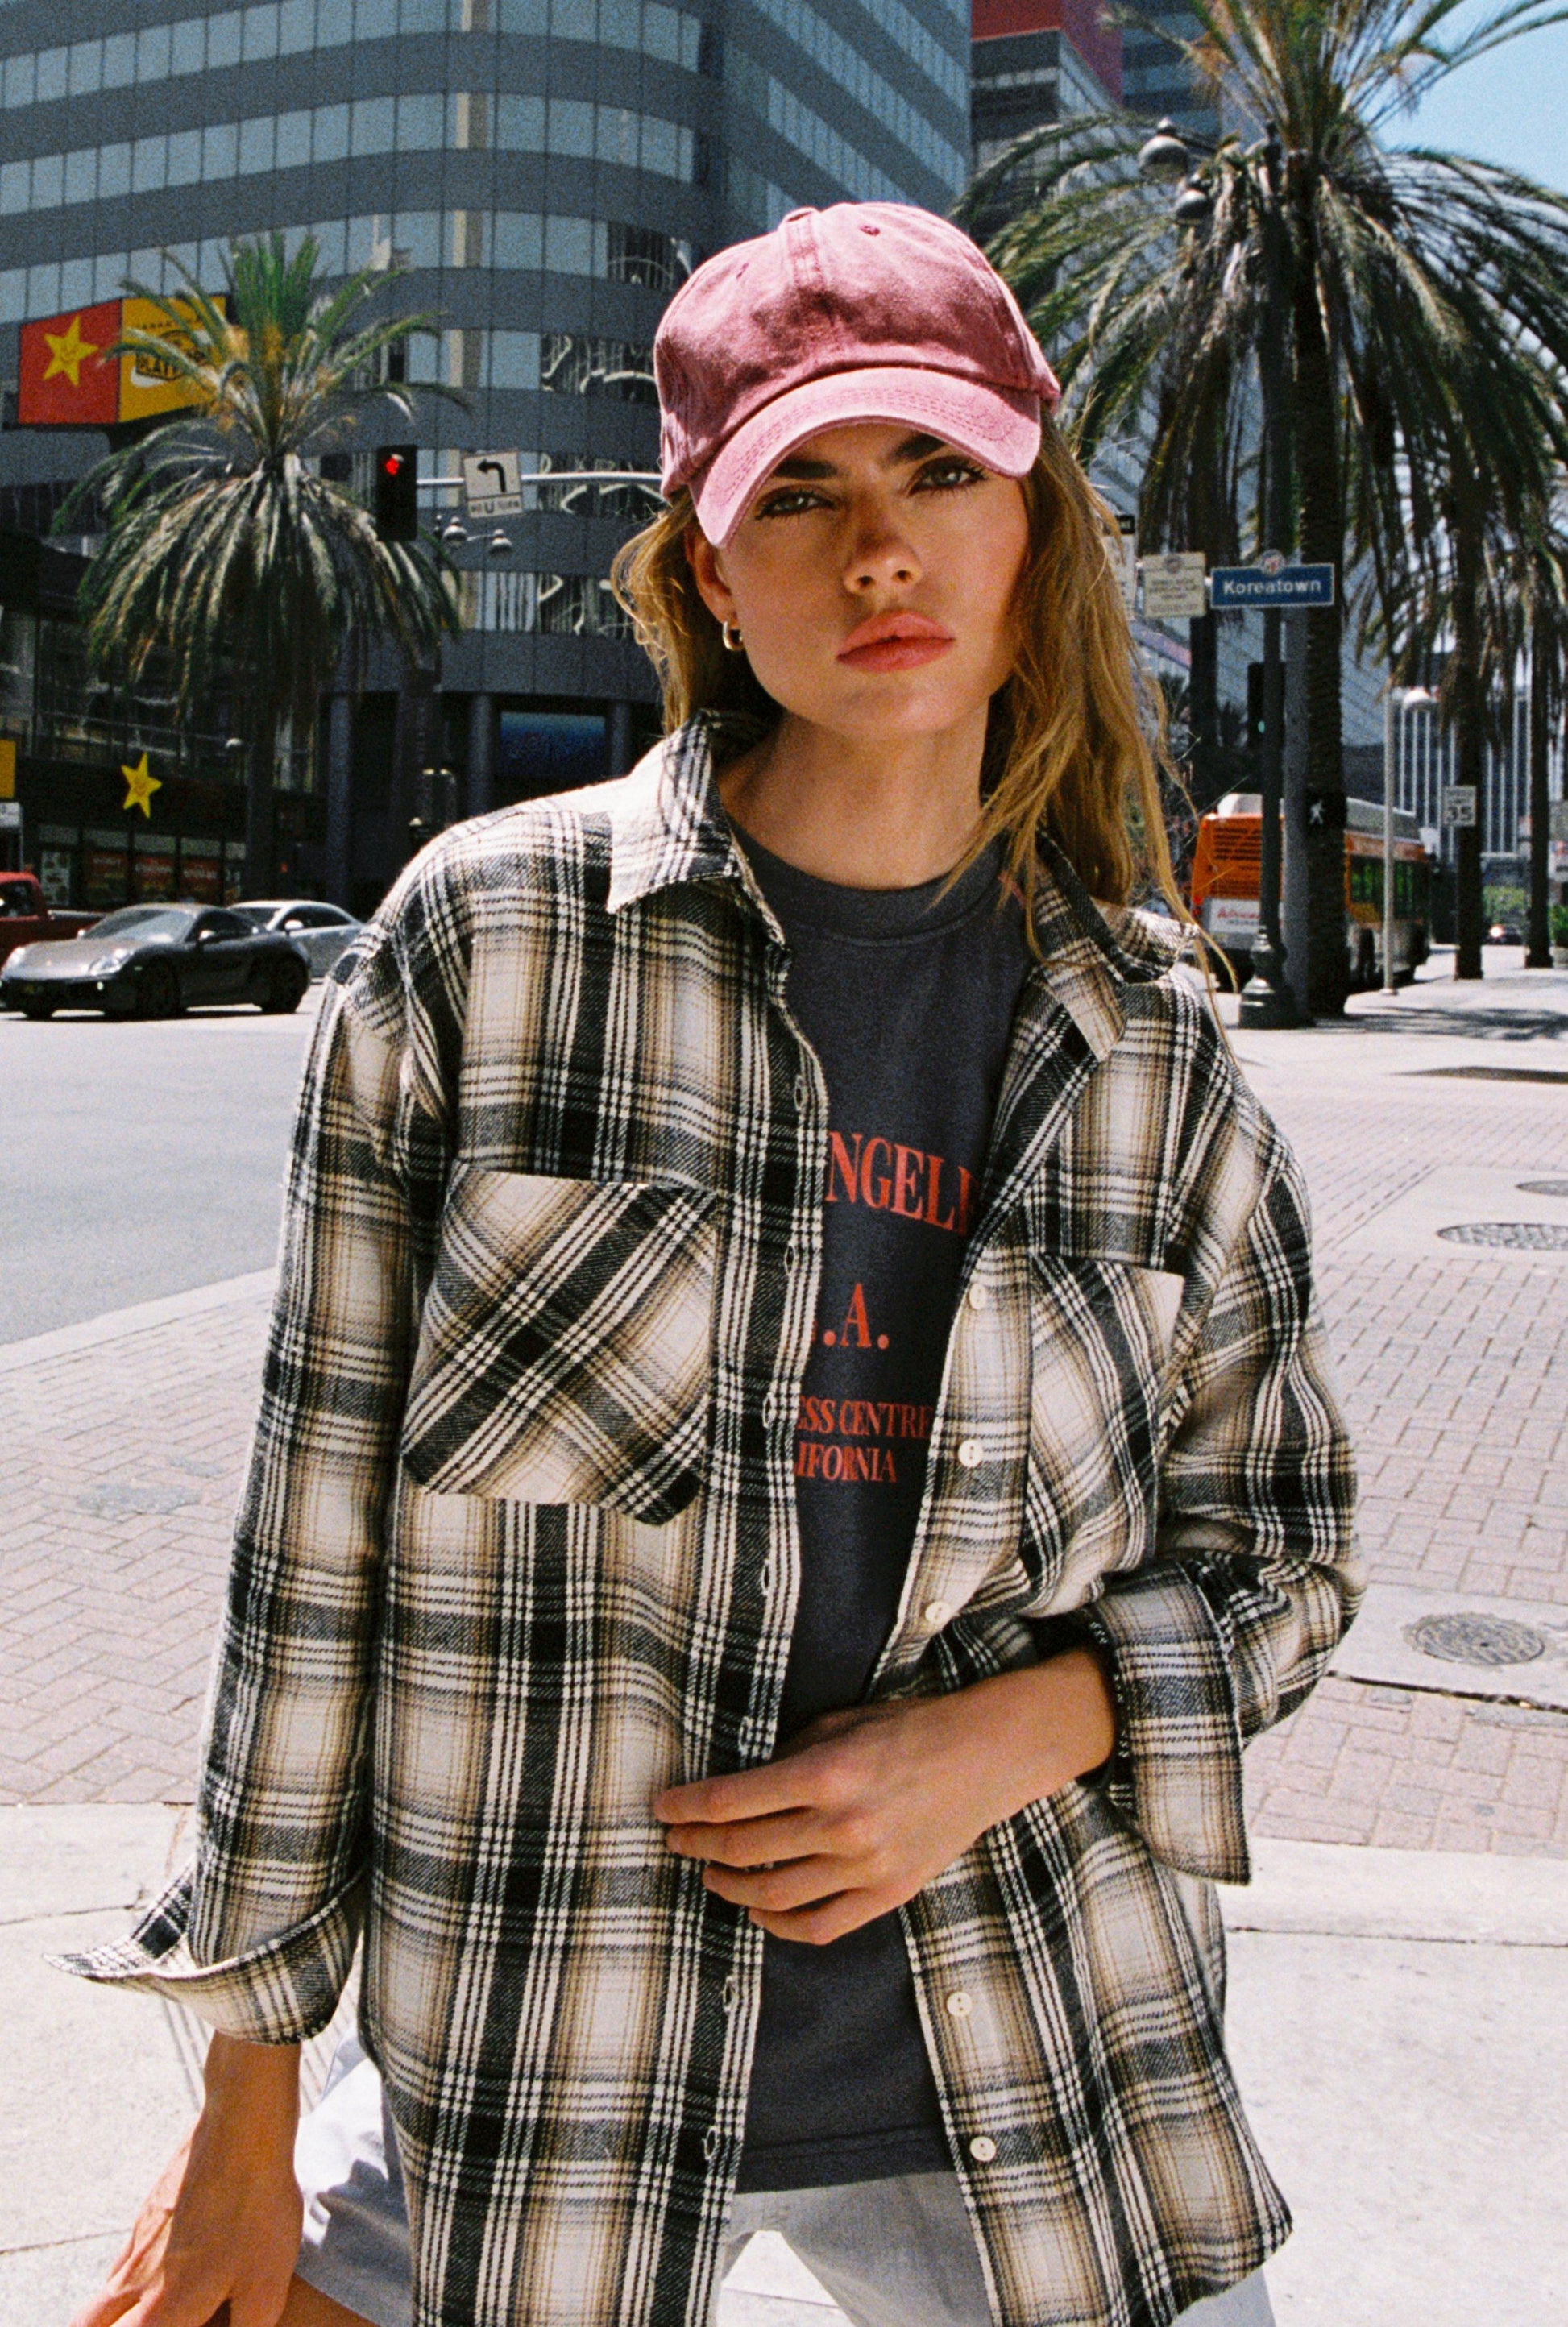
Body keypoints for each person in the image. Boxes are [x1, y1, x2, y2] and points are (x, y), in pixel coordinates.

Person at [64, 204, 1359, 2327]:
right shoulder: (487, 951)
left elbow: (1283, 1557)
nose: (882, 555)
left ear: (1034, 532)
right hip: (542, 2080)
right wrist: (241, 2106)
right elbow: (312, 1564)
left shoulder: (1154, 1044)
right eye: (801, 494)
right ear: (707, 574)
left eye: (939, 473)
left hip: (1038, 2074)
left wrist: (1015, 1734)